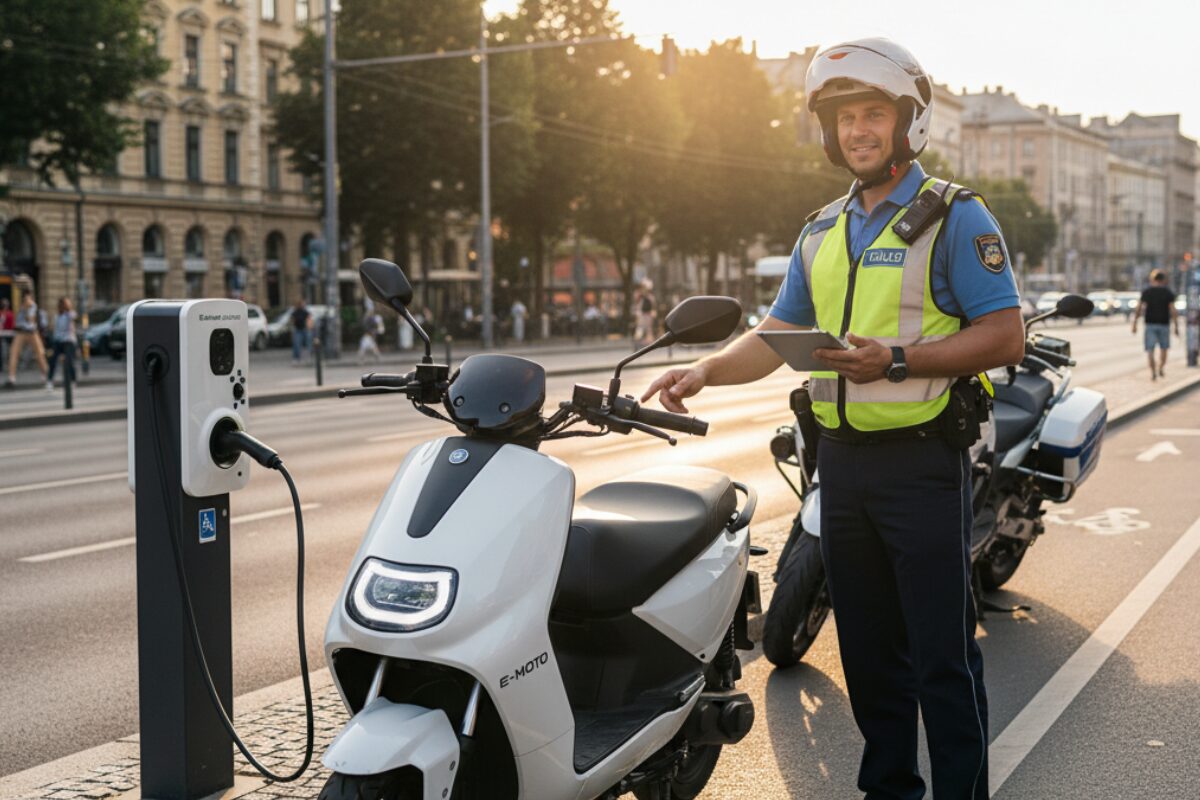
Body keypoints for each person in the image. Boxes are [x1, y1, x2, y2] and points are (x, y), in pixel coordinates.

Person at [642, 38, 1024, 800]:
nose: (857, 130)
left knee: (942, 659)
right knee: (871, 661)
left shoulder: (954, 215)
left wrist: (899, 360)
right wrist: (708, 369)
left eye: (872, 113)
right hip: (840, 470)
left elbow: (1005, 334)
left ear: (907, 122)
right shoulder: (820, 230)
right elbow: (778, 333)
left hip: (921, 467)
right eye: (844, 117)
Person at [1131, 269, 1178, 380]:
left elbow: (1139, 308)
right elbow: (1173, 310)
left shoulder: (1147, 291)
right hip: (1164, 324)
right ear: (1163, 280)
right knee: (1164, 349)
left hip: (1150, 324)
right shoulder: (1167, 292)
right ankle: (1161, 367)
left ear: (1153, 279)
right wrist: (1176, 326)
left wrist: (1134, 323)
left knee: (1150, 350)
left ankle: (1153, 372)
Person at [6, 293, 50, 389]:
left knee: (40, 354)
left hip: (32, 332)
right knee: (14, 353)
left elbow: (31, 320)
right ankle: (11, 378)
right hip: (21, 332)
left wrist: (28, 308)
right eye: (25, 299)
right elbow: (17, 322)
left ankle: (46, 375)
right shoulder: (21, 309)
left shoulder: (34, 307)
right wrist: (23, 309)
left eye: (28, 299)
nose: (26, 301)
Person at [46, 297, 79, 389]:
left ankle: (73, 380)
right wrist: (53, 343)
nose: (67, 305)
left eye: (68, 303)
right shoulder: (57, 316)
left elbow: (74, 317)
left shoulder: (70, 314)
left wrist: (69, 311)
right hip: (58, 341)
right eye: (66, 303)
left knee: (69, 361)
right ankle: (49, 381)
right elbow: (55, 330)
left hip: (69, 340)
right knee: (53, 361)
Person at [635, 281, 657, 347]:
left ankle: (647, 342)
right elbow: (639, 305)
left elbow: (653, 305)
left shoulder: (649, 297)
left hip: (647, 314)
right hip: (643, 314)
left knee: (647, 328)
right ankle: (638, 341)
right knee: (642, 328)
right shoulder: (641, 296)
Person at [290, 298, 312, 364]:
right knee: (297, 344)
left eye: (303, 304)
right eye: (302, 304)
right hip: (298, 330)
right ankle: (296, 358)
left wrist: (309, 327)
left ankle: (307, 357)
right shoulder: (295, 312)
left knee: (308, 344)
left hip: (305, 329)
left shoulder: (305, 312)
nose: (303, 305)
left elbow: (309, 319)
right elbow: (292, 320)